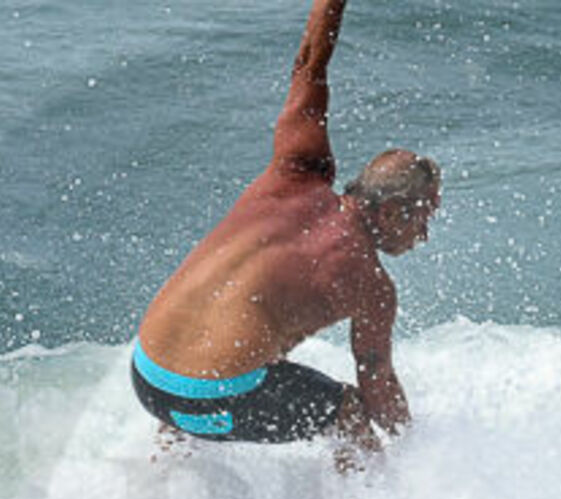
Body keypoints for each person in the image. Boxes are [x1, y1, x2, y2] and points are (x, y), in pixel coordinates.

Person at [133, 0, 440, 465]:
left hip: (148, 382)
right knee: (349, 412)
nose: (425, 235)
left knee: (234, 356)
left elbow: (310, 65)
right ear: (394, 212)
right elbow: (376, 388)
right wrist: (422, 456)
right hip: (212, 405)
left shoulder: (293, 170)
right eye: (424, 217)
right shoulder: (372, 286)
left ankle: (160, 481)